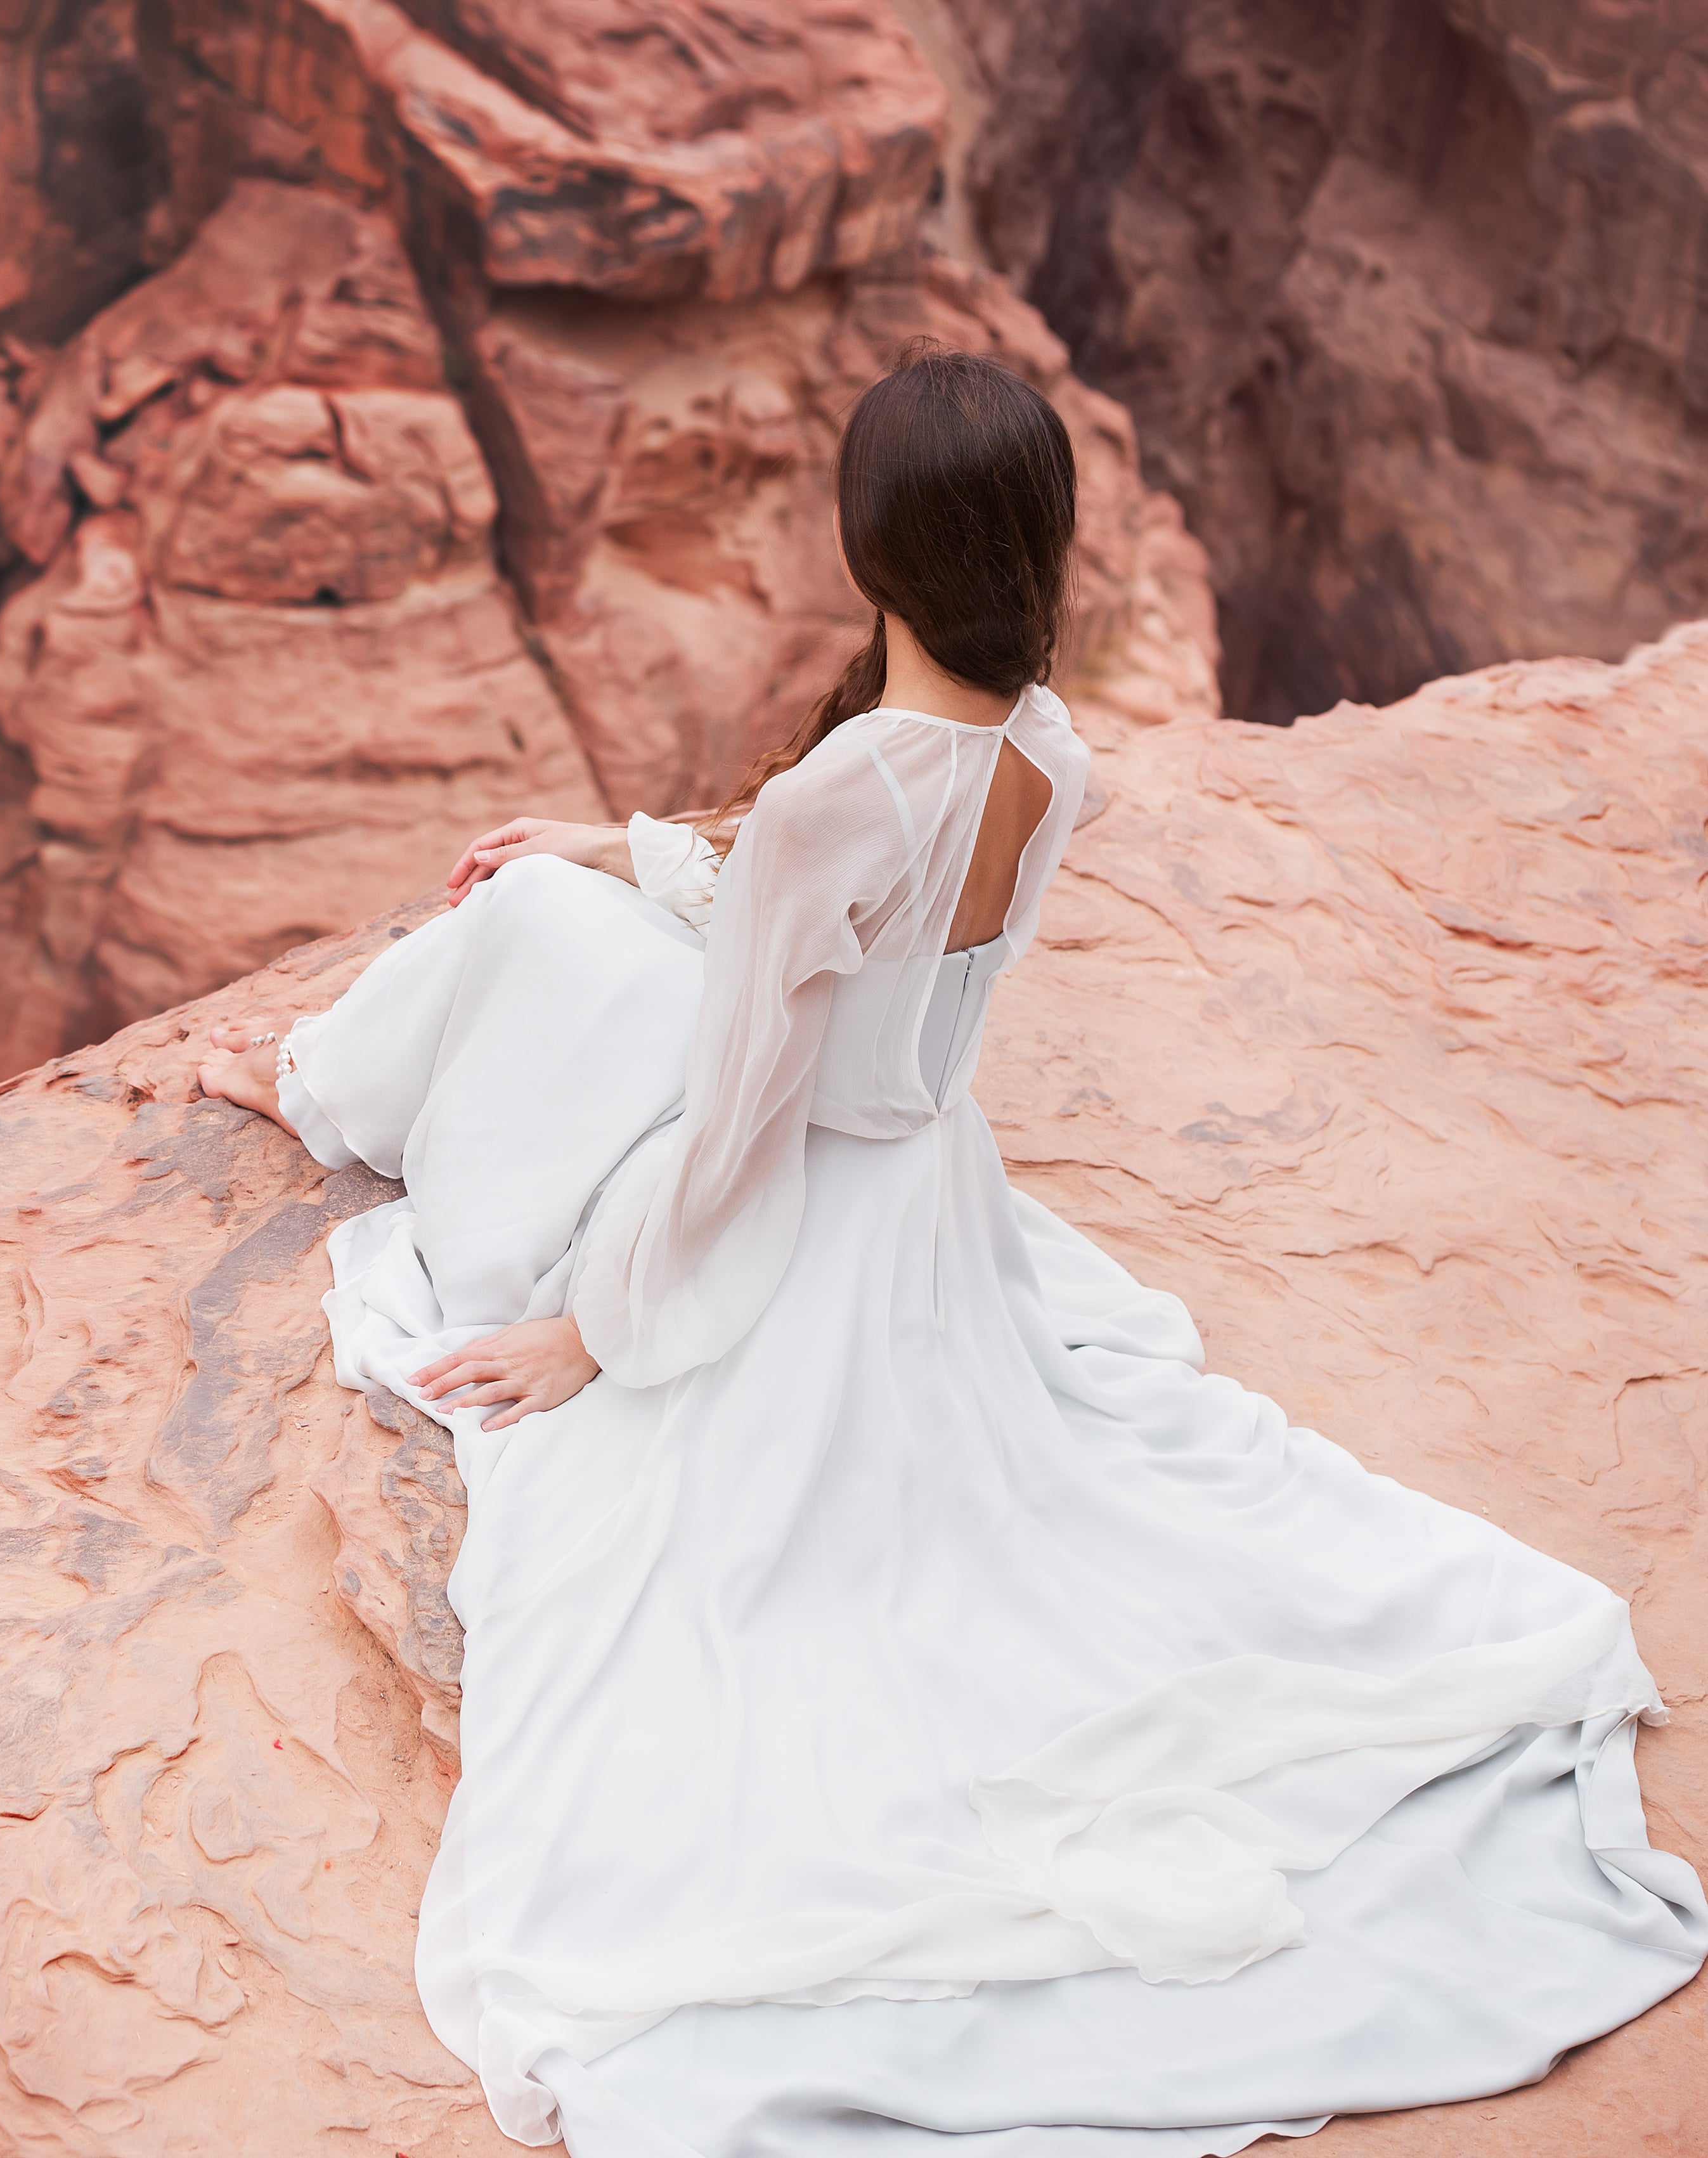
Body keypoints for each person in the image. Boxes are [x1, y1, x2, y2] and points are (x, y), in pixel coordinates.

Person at [195, 349, 1705, 2156]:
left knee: (518, 931)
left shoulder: (850, 789)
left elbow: (746, 1104)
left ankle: (301, 1082)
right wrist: (629, 847)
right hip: (935, 1201)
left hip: (800, 1217)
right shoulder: (1045, 748)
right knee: (558, 894)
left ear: (869, 548)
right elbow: (842, 918)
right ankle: (348, 1052)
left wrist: (597, 1332)